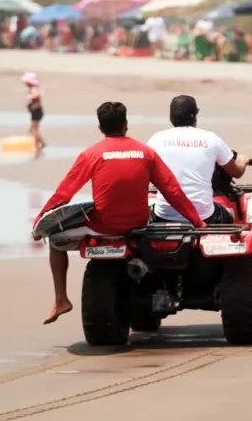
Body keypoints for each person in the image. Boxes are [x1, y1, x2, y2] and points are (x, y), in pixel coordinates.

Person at [31, 102, 205, 325]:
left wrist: (39, 224)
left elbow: (64, 194)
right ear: (126, 125)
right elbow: (172, 191)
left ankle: (61, 299)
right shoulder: (145, 152)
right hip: (138, 223)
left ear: (100, 128)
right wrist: (196, 221)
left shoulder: (91, 154)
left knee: (55, 240)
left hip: (103, 225)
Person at [147, 95, 252, 225]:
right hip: (203, 216)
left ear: (171, 118)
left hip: (164, 216)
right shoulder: (211, 139)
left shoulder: (156, 139)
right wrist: (242, 161)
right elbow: (236, 173)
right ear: (195, 118)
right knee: (229, 216)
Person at [22, 72, 46, 151]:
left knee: (33, 129)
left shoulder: (34, 89)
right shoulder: (34, 88)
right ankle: (39, 143)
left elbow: (37, 95)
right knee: (32, 129)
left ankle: (39, 144)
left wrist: (30, 97)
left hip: (36, 112)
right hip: (35, 112)